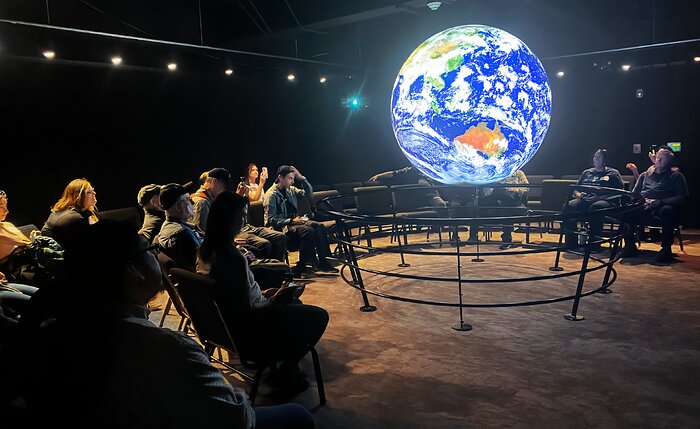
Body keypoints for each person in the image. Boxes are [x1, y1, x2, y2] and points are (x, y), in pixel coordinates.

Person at [16, 220, 314, 429]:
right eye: (148, 251)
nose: (157, 258)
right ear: (132, 270)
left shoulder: (67, 330)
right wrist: (236, 395)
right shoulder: (163, 348)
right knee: (298, 416)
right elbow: (236, 419)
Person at [197, 191, 329, 392]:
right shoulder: (231, 259)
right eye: (241, 216)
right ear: (227, 220)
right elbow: (250, 312)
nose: (243, 220)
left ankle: (287, 367)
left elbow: (237, 297)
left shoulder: (204, 253)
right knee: (319, 316)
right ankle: (285, 373)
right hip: (252, 331)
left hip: (226, 328)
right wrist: (275, 299)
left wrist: (264, 293)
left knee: (296, 305)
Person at [193, 168, 286, 261]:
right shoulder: (203, 202)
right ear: (214, 182)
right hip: (234, 233)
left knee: (280, 237)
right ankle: (263, 271)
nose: (225, 191)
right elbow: (201, 233)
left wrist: (237, 198)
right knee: (264, 244)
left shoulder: (215, 197)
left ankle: (277, 270)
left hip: (245, 227)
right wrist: (229, 241)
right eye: (224, 187)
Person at [264, 165, 338, 277]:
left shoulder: (290, 190)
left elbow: (309, 195)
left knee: (319, 226)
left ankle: (323, 261)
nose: (293, 182)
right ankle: (303, 266)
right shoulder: (271, 195)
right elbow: (271, 220)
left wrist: (302, 178)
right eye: (290, 178)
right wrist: (291, 221)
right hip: (281, 229)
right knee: (307, 230)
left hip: (294, 224)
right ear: (280, 178)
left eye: (293, 178)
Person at [621, 147, 689, 262]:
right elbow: (635, 194)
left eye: (663, 159)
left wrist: (661, 201)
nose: (658, 160)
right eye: (658, 158)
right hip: (645, 204)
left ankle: (666, 249)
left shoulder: (676, 176)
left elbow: (682, 197)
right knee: (628, 211)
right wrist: (642, 200)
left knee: (667, 211)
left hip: (663, 205)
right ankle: (630, 246)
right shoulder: (645, 175)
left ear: (669, 162)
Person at [562, 149, 624, 249]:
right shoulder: (587, 172)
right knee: (568, 206)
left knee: (595, 207)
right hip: (584, 199)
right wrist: (580, 195)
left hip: (605, 201)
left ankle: (594, 244)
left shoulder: (613, 173)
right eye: (594, 156)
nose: (595, 159)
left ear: (605, 160)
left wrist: (599, 197)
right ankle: (571, 243)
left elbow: (619, 193)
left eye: (598, 157)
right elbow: (575, 190)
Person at [466, 169, 529, 247]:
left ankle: (506, 239)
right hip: (493, 202)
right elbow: (486, 192)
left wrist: (511, 190)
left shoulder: (519, 173)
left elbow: (525, 189)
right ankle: (506, 239)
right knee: (497, 191)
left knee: (506, 206)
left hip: (512, 202)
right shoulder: (494, 173)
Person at [41, 178, 99, 252]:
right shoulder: (72, 217)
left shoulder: (83, 211)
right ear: (78, 196)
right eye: (89, 192)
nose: (94, 193)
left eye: (93, 190)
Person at [155, 183, 203, 271]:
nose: (192, 203)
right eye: (188, 200)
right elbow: (204, 264)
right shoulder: (183, 234)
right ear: (178, 207)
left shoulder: (167, 227)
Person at [0, 190, 31, 261]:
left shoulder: (8, 225)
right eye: (1, 207)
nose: (6, 211)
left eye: (6, 206)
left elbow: (29, 244)